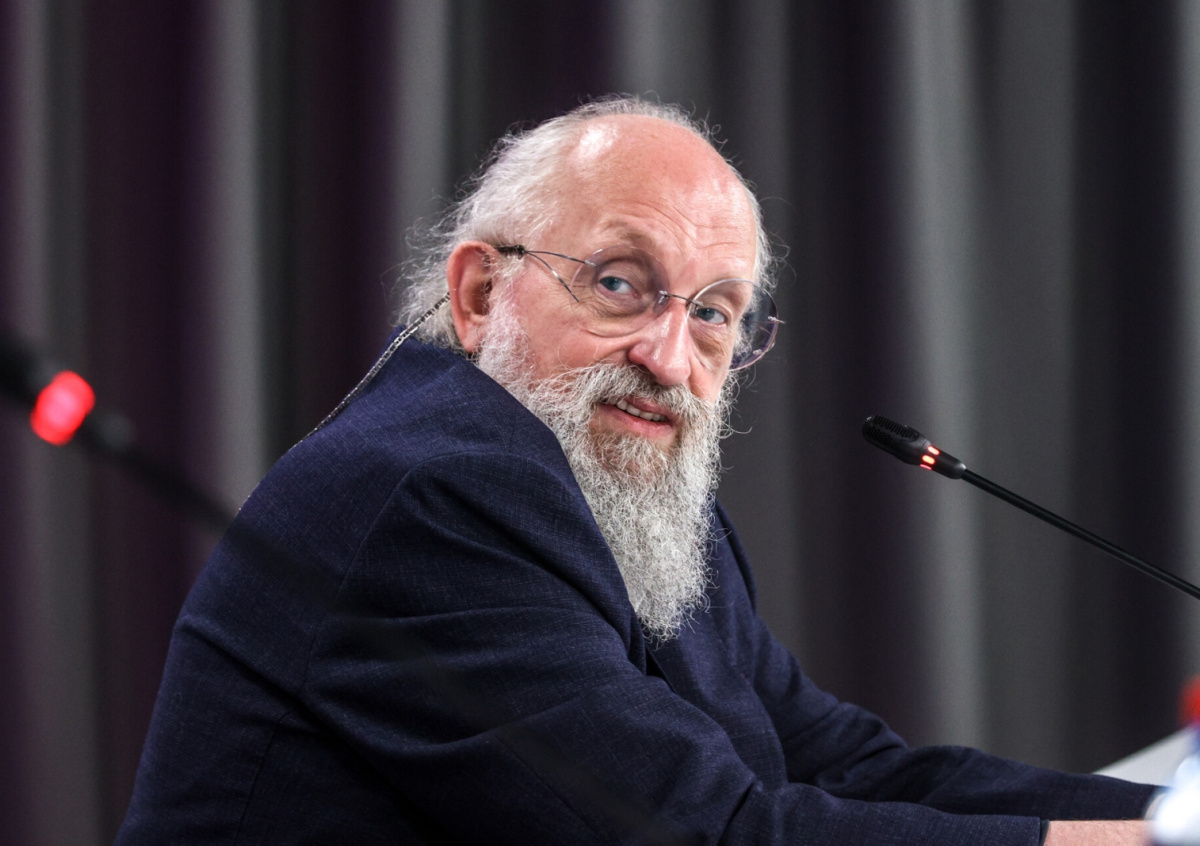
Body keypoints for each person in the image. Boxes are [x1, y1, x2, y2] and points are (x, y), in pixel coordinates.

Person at [116, 97, 1155, 845]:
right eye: (619, 284)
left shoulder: (630, 493)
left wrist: (1164, 819)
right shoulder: (430, 495)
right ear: (479, 295)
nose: (668, 359)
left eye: (713, 314)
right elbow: (708, 832)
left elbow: (840, 762)